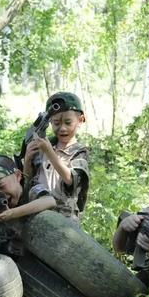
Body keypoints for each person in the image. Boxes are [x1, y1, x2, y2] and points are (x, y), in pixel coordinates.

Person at [23, 92, 89, 223]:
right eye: (56, 123)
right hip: (37, 214)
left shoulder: (80, 152)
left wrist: (49, 153)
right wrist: (27, 160)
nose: (62, 128)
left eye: (68, 123)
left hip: (64, 219)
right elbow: (28, 179)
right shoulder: (44, 146)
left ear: (80, 120)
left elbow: (70, 179)